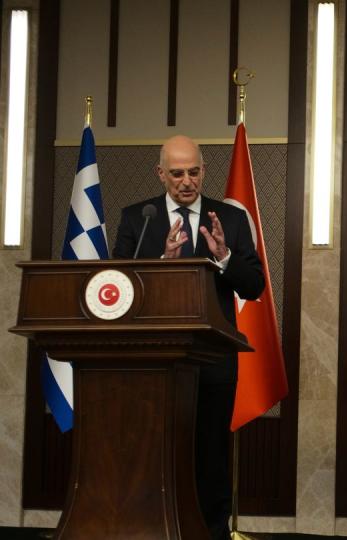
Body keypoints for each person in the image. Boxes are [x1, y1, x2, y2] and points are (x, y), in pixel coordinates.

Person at [113, 135, 265, 540]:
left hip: (214, 361)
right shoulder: (137, 219)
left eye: (194, 172)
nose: (186, 181)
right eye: (177, 173)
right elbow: (117, 288)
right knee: (153, 453)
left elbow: (254, 286)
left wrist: (224, 257)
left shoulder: (228, 220)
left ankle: (211, 533)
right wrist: (163, 264)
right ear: (160, 174)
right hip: (153, 363)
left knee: (211, 458)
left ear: (204, 171)